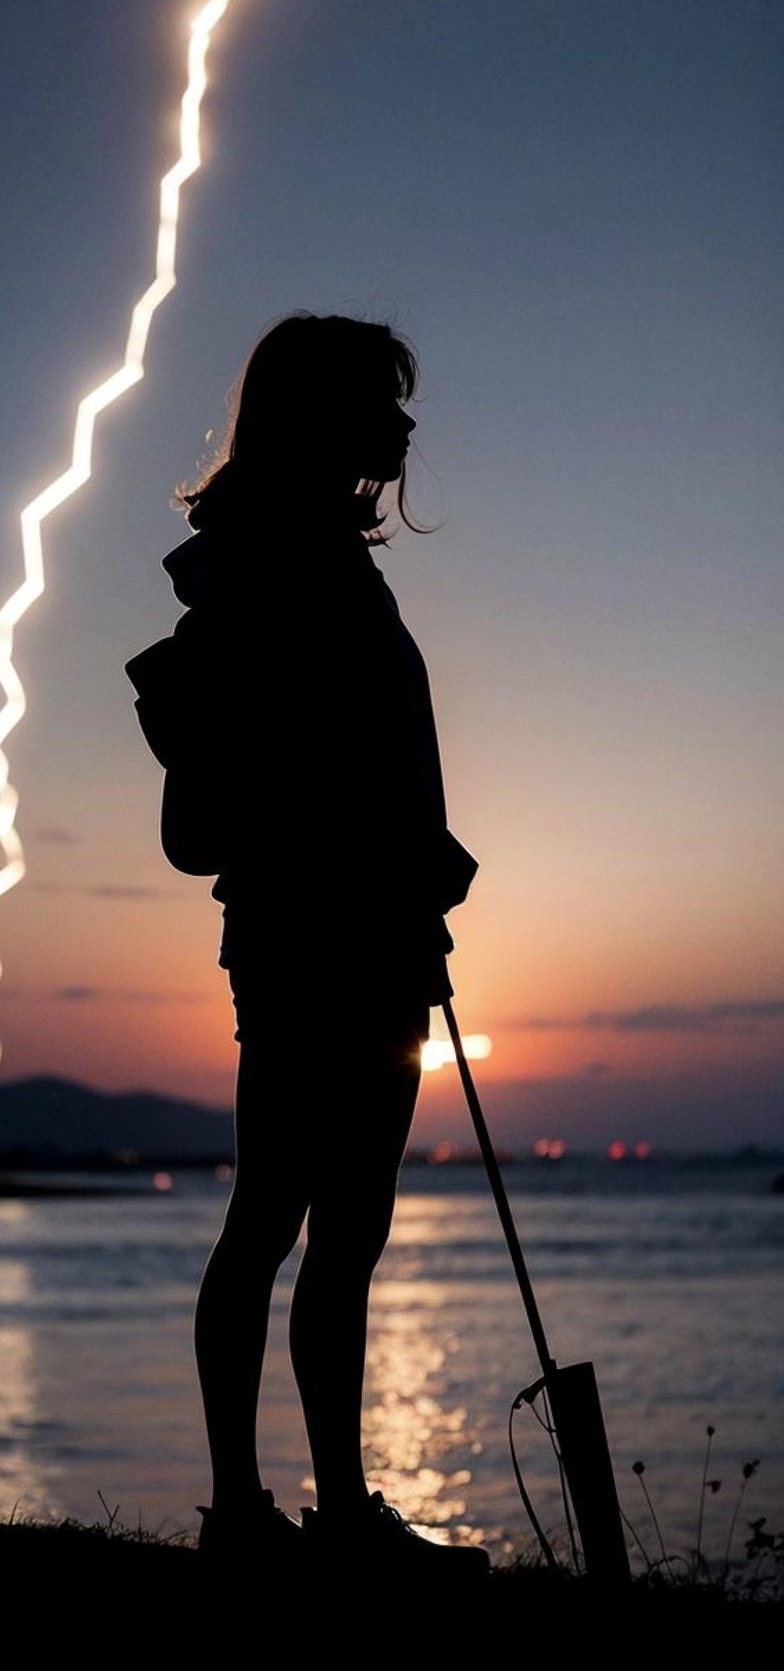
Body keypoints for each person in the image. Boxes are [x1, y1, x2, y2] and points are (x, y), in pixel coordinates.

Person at [156, 311, 490, 1583]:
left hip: (364, 929)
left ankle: (319, 1506)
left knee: (335, 1222)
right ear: (320, 413)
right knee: (288, 1216)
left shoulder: (311, 559)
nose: (406, 426)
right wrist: (397, 862)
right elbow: (308, 763)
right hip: (319, 932)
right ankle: (260, 1509)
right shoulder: (279, 561)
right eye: (382, 402)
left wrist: (416, 872)